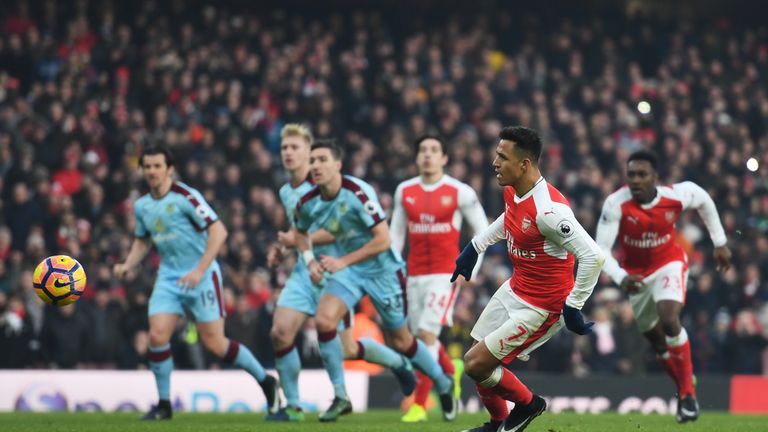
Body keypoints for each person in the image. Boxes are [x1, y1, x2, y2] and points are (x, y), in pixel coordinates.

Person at [293, 139, 458, 422]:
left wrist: (342, 261)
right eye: (313, 161)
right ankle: (340, 396)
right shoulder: (308, 202)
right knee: (323, 320)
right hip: (350, 271)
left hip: (383, 270)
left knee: (403, 340)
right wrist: (309, 261)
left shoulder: (357, 192)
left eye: (322, 160)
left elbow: (383, 240)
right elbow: (300, 232)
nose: (316, 166)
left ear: (337, 165)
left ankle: (442, 384)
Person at [453, 126, 604, 432]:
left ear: (524, 164)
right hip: (516, 288)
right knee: (476, 354)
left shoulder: (550, 211)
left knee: (475, 363)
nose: (494, 162)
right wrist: (475, 245)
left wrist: (574, 306)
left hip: (543, 306)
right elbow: (508, 219)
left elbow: (593, 256)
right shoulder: (512, 189)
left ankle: (529, 404)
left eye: (502, 156)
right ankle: (498, 423)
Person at [114, 146, 280, 420]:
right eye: (148, 166)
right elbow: (142, 240)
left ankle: (266, 381)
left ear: (169, 169)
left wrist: (199, 270)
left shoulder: (186, 197)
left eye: (158, 166)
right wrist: (128, 264)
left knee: (215, 344)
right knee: (157, 335)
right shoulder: (142, 205)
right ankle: (164, 405)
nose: (152, 171)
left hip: (202, 276)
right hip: (168, 278)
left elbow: (219, 231)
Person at [266, 125, 415, 422]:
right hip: (305, 270)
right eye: (284, 148)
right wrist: (289, 249)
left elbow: (340, 232)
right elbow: (301, 232)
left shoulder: (327, 185)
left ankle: (398, 362)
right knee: (280, 333)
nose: (288, 153)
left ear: (311, 154)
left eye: (295, 148)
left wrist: (297, 243)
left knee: (346, 348)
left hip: (336, 272)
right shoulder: (286, 191)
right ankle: (294, 405)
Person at [595, 149, 731, 423]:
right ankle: (684, 386)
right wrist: (621, 277)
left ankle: (689, 396)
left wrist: (719, 242)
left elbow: (703, 199)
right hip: (636, 278)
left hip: (669, 263)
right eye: (631, 174)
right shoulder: (615, 204)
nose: (635, 180)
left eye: (642, 175)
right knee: (658, 344)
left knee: (669, 318)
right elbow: (600, 251)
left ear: (655, 177)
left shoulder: (675, 195)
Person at [390, 135, 489, 422]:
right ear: (417, 157)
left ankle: (420, 403)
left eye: (434, 150)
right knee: (419, 338)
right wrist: (393, 273)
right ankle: (449, 372)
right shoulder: (404, 191)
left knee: (427, 335)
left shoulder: (460, 192)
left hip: (446, 275)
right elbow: (396, 238)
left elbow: (482, 230)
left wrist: (470, 268)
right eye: (423, 150)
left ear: (444, 158)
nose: (428, 155)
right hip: (414, 275)